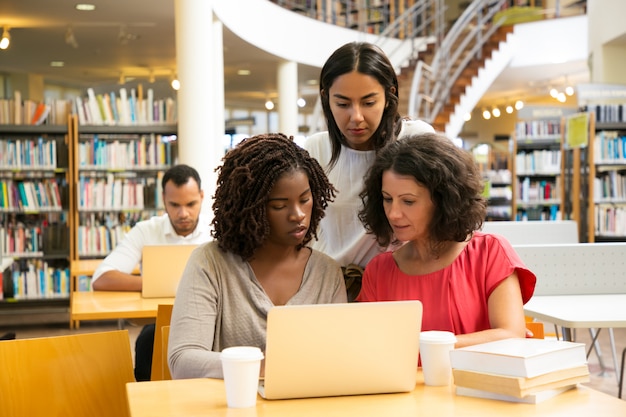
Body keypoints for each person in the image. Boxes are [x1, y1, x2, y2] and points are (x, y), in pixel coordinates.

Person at [168, 133, 347, 379]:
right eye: (279, 205)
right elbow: (183, 361)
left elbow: (339, 358)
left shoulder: (326, 273)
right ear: (248, 206)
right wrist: (262, 366)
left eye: (305, 200)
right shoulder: (210, 263)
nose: (298, 214)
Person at [356, 133, 536, 348]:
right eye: (387, 199)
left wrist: (428, 343)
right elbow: (368, 348)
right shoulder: (379, 272)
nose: (393, 213)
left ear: (443, 200)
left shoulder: (489, 253)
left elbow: (511, 335)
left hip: (474, 382)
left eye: (408, 201)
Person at [304, 41, 434, 272]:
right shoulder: (315, 150)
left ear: (389, 95)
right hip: (332, 287)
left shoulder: (416, 139)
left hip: (400, 282)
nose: (356, 117)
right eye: (342, 103)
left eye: (369, 102)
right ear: (326, 98)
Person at [91, 164, 211, 381]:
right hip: (159, 324)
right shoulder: (146, 230)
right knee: (148, 341)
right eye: (174, 205)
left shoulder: (217, 231)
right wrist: (154, 282)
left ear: (202, 197)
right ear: (163, 198)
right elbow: (102, 278)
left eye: (191, 204)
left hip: (209, 321)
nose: (183, 213)